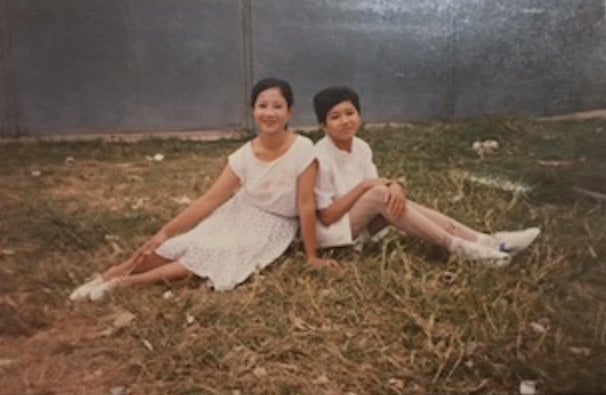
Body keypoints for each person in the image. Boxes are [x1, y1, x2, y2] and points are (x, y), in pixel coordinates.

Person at [70, 78, 338, 302]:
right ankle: (107, 276)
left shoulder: (303, 149)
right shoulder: (243, 155)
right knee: (184, 244)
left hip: (273, 225)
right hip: (238, 213)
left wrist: (312, 256)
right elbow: (209, 200)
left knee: (214, 254)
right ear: (253, 111)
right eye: (262, 106)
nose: (269, 113)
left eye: (277, 106)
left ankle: (127, 284)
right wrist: (164, 232)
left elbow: (305, 205)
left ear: (289, 112)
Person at [312, 86, 540, 265]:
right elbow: (327, 216)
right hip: (331, 236)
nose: (345, 121)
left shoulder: (361, 147)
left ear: (359, 115)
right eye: (335, 117)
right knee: (380, 195)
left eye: (350, 113)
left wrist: (393, 186)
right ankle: (458, 247)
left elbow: (377, 187)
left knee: (392, 198)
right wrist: (368, 188)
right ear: (323, 125)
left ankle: (488, 241)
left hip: (359, 224)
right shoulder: (319, 157)